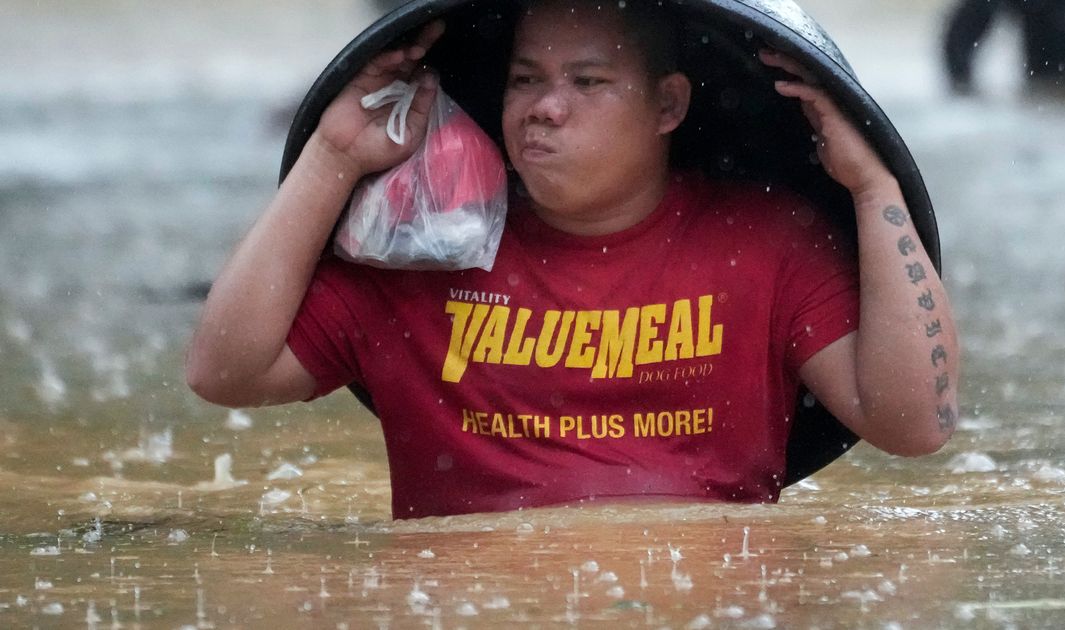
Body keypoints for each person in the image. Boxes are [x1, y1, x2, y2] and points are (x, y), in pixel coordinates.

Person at [187, 0, 959, 519]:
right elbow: (224, 372)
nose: (544, 106)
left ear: (668, 107)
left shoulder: (766, 243)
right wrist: (331, 155)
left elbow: (917, 423)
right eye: (527, 80)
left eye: (587, 82)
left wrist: (871, 182)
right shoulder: (422, 254)